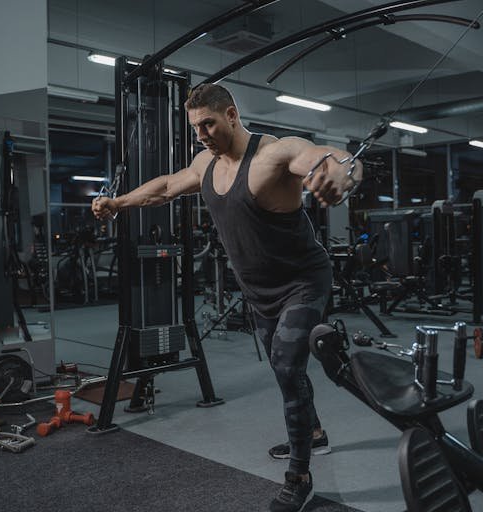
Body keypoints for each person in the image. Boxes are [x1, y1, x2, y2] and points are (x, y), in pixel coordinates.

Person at [92, 83, 362, 512]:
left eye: (208, 124)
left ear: (232, 115)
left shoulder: (271, 154)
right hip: (259, 291)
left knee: (287, 365)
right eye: (195, 126)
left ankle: (299, 476)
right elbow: (164, 186)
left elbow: (323, 156)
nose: (200, 133)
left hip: (303, 281)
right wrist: (118, 203)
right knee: (284, 370)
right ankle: (314, 431)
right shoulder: (205, 163)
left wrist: (344, 172)